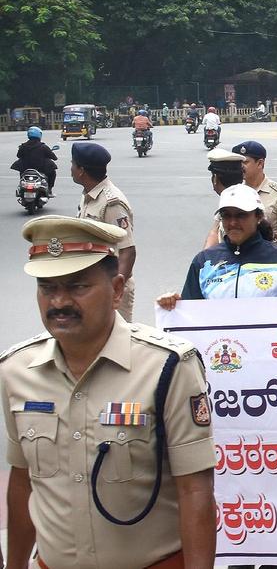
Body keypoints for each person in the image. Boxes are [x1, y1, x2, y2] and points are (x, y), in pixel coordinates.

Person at [5, 216, 216, 568]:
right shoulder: (16, 370)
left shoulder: (167, 367)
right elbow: (22, 481)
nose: (59, 301)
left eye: (77, 287)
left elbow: (195, 490)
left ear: (117, 290)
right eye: (47, 288)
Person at [157, 184, 277, 304]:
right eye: (226, 216)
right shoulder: (204, 262)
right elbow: (190, 316)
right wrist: (173, 305)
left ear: (258, 217)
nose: (232, 223)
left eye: (241, 215)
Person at [72, 142, 137, 322]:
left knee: (116, 336)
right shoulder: (89, 195)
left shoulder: (111, 203)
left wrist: (113, 292)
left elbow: (128, 251)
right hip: (92, 284)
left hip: (109, 289)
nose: (71, 169)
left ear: (81, 171)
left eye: (73, 164)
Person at [231, 141, 277, 245]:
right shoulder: (233, 191)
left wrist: (269, 239)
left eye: (245, 162)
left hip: (268, 253)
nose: (241, 167)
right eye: (238, 163)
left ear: (260, 163)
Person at [12, 126, 57, 194]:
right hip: (41, 169)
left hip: (26, 169)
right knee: (52, 172)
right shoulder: (43, 146)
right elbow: (54, 158)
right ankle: (50, 188)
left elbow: (18, 155)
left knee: (21, 171)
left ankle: (21, 187)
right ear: (39, 135)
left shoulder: (23, 146)